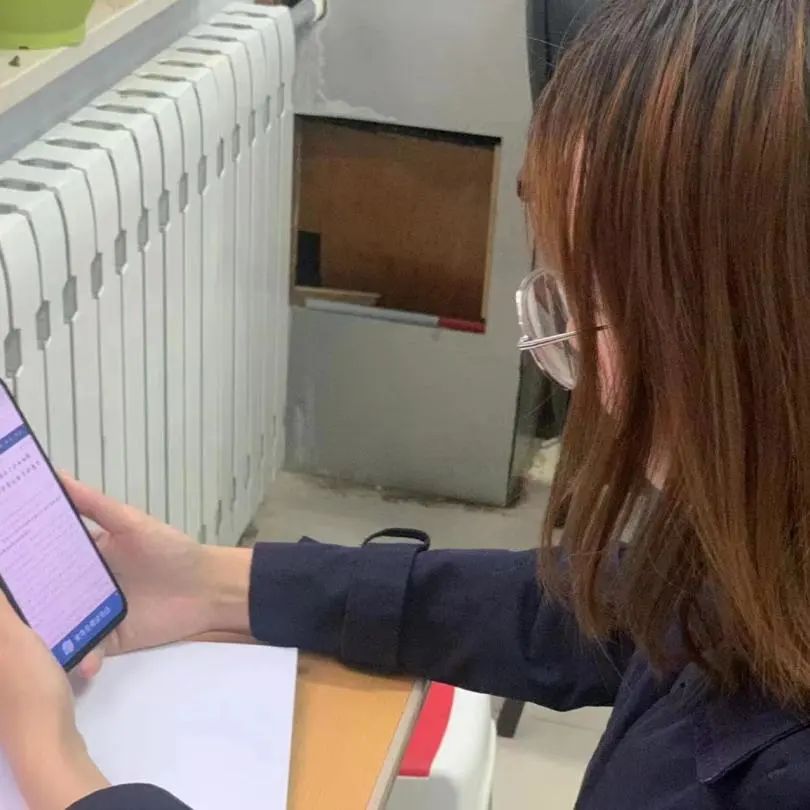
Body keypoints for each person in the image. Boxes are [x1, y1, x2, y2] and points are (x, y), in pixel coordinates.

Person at [2, 1, 810, 807]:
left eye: (588, 305)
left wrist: (54, 764)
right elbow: (618, 611)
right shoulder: (767, 555)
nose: (572, 368)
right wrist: (219, 583)